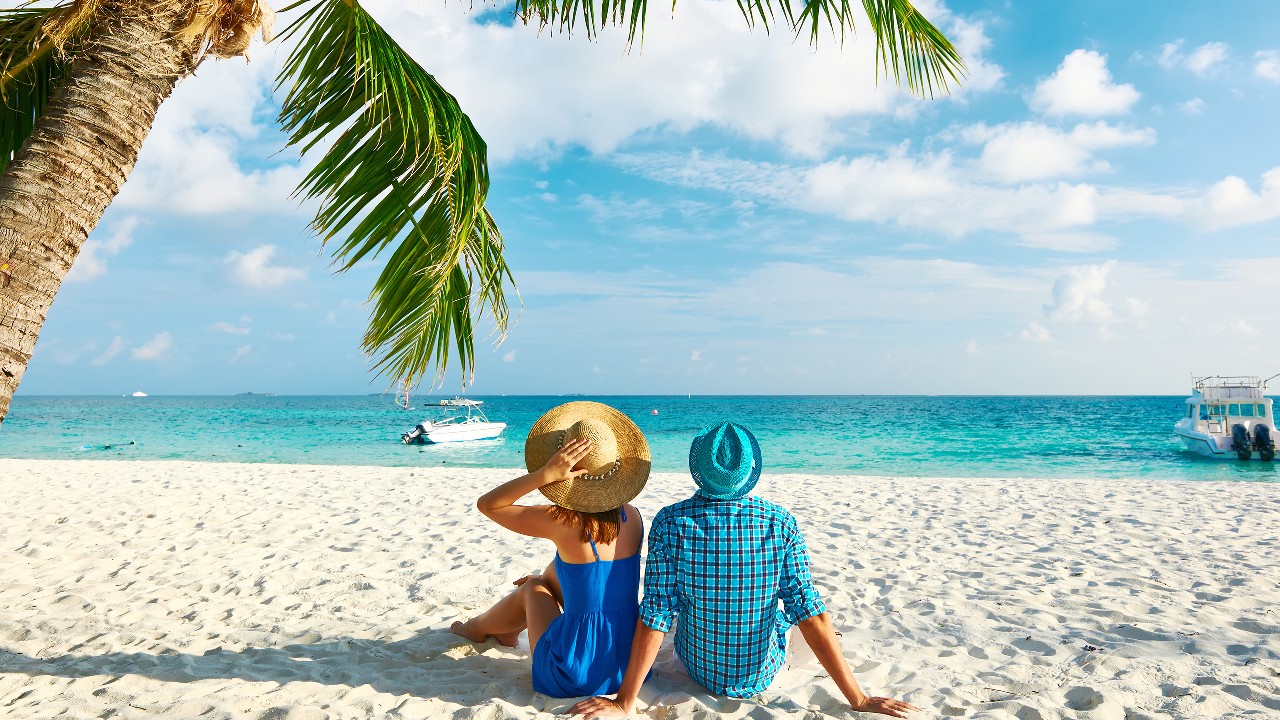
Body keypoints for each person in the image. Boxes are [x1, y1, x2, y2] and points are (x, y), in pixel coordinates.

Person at [570, 421, 919, 718]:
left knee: (677, 613)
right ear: (751, 470)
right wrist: (858, 699)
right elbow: (808, 613)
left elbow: (656, 613)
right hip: (762, 676)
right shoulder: (780, 522)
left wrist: (624, 702)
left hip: (699, 669)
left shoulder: (670, 521)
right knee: (793, 614)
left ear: (701, 472)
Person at [451, 401, 652, 698]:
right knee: (548, 577)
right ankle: (500, 627)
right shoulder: (632, 516)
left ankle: (475, 629)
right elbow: (586, 574)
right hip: (626, 667)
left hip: (572, 673)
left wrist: (543, 475)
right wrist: (548, 578)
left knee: (532, 587)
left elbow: (488, 505)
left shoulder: (561, 521)